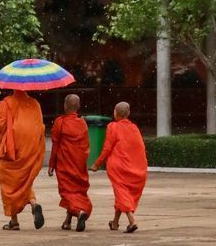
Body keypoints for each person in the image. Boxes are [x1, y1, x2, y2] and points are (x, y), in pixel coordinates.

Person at [91, 101, 147, 233]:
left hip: (118, 167)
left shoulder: (112, 126)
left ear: (115, 113)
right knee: (122, 194)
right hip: (135, 166)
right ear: (128, 114)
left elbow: (107, 148)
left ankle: (132, 220)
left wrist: (97, 164)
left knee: (121, 193)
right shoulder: (134, 127)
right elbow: (140, 148)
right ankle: (115, 222)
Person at [0, 90, 46, 230]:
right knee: (24, 181)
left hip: (12, 149)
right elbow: (40, 126)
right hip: (30, 149)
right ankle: (34, 204)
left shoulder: (6, 103)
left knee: (10, 183)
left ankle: (14, 220)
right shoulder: (35, 104)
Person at [48, 94, 92, 232]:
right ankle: (67, 221)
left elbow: (55, 145)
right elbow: (86, 146)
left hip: (64, 163)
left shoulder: (60, 122)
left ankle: (79, 213)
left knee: (67, 192)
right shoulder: (82, 123)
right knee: (77, 191)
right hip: (78, 163)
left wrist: (51, 165)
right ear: (78, 107)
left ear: (64, 106)